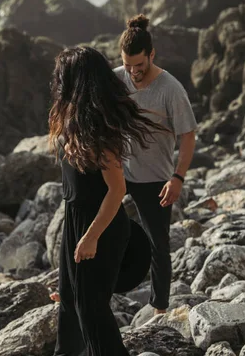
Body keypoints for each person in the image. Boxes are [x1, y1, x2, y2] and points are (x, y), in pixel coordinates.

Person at [49, 46, 166, 356]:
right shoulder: (74, 127)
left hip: (100, 228)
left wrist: (90, 238)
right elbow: (74, 197)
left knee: (92, 310)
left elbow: (117, 191)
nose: (58, 83)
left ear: (77, 83)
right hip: (75, 222)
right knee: (69, 303)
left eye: (63, 77)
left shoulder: (100, 134)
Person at [115, 14, 196, 315]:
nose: (133, 72)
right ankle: (88, 295)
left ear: (152, 55)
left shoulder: (171, 89)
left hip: (155, 179)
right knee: (90, 227)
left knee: (158, 246)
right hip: (117, 173)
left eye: (139, 65)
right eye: (127, 65)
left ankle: (160, 309)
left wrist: (178, 178)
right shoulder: (117, 79)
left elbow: (188, 136)